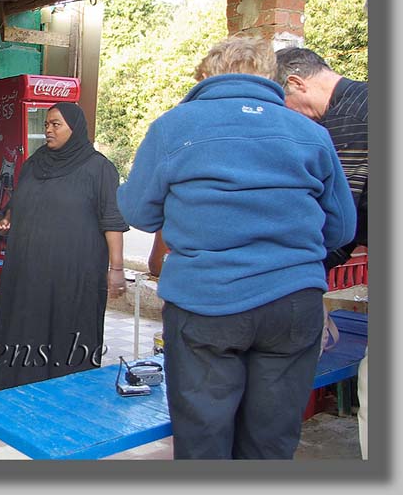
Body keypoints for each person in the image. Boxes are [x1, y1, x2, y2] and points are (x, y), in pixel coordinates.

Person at [116, 36, 356, 459]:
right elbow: (341, 229)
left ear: (206, 75)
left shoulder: (174, 126)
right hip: (293, 305)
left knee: (204, 441)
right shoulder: (310, 133)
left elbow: (139, 212)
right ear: (271, 77)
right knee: (271, 442)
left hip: (206, 304)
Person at [0, 102, 130, 395]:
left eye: (56, 124)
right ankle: (20, 392)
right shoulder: (36, 163)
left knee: (69, 332)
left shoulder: (99, 168)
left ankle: (69, 398)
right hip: (29, 271)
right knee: (26, 328)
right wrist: (8, 220)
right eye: (46, 124)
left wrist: (117, 268)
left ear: (74, 128)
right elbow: (19, 202)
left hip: (74, 274)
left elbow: (112, 220)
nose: (48, 129)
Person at [275, 36, 368, 460]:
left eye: (283, 105)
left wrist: (308, 285)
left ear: (296, 84)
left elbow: (341, 222)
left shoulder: (348, 119)